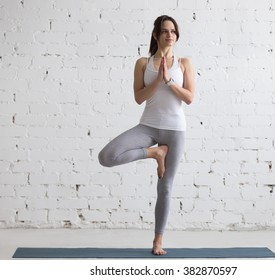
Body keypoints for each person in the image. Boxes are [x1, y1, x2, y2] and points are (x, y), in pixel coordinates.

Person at [98, 15, 195, 255]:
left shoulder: (184, 62)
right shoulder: (143, 63)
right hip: (148, 126)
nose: (169, 34)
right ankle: (154, 153)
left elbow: (190, 98)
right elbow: (139, 97)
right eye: (164, 31)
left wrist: (169, 80)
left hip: (175, 130)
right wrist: (158, 79)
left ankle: (157, 242)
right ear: (156, 35)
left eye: (173, 30)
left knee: (165, 187)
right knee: (106, 156)